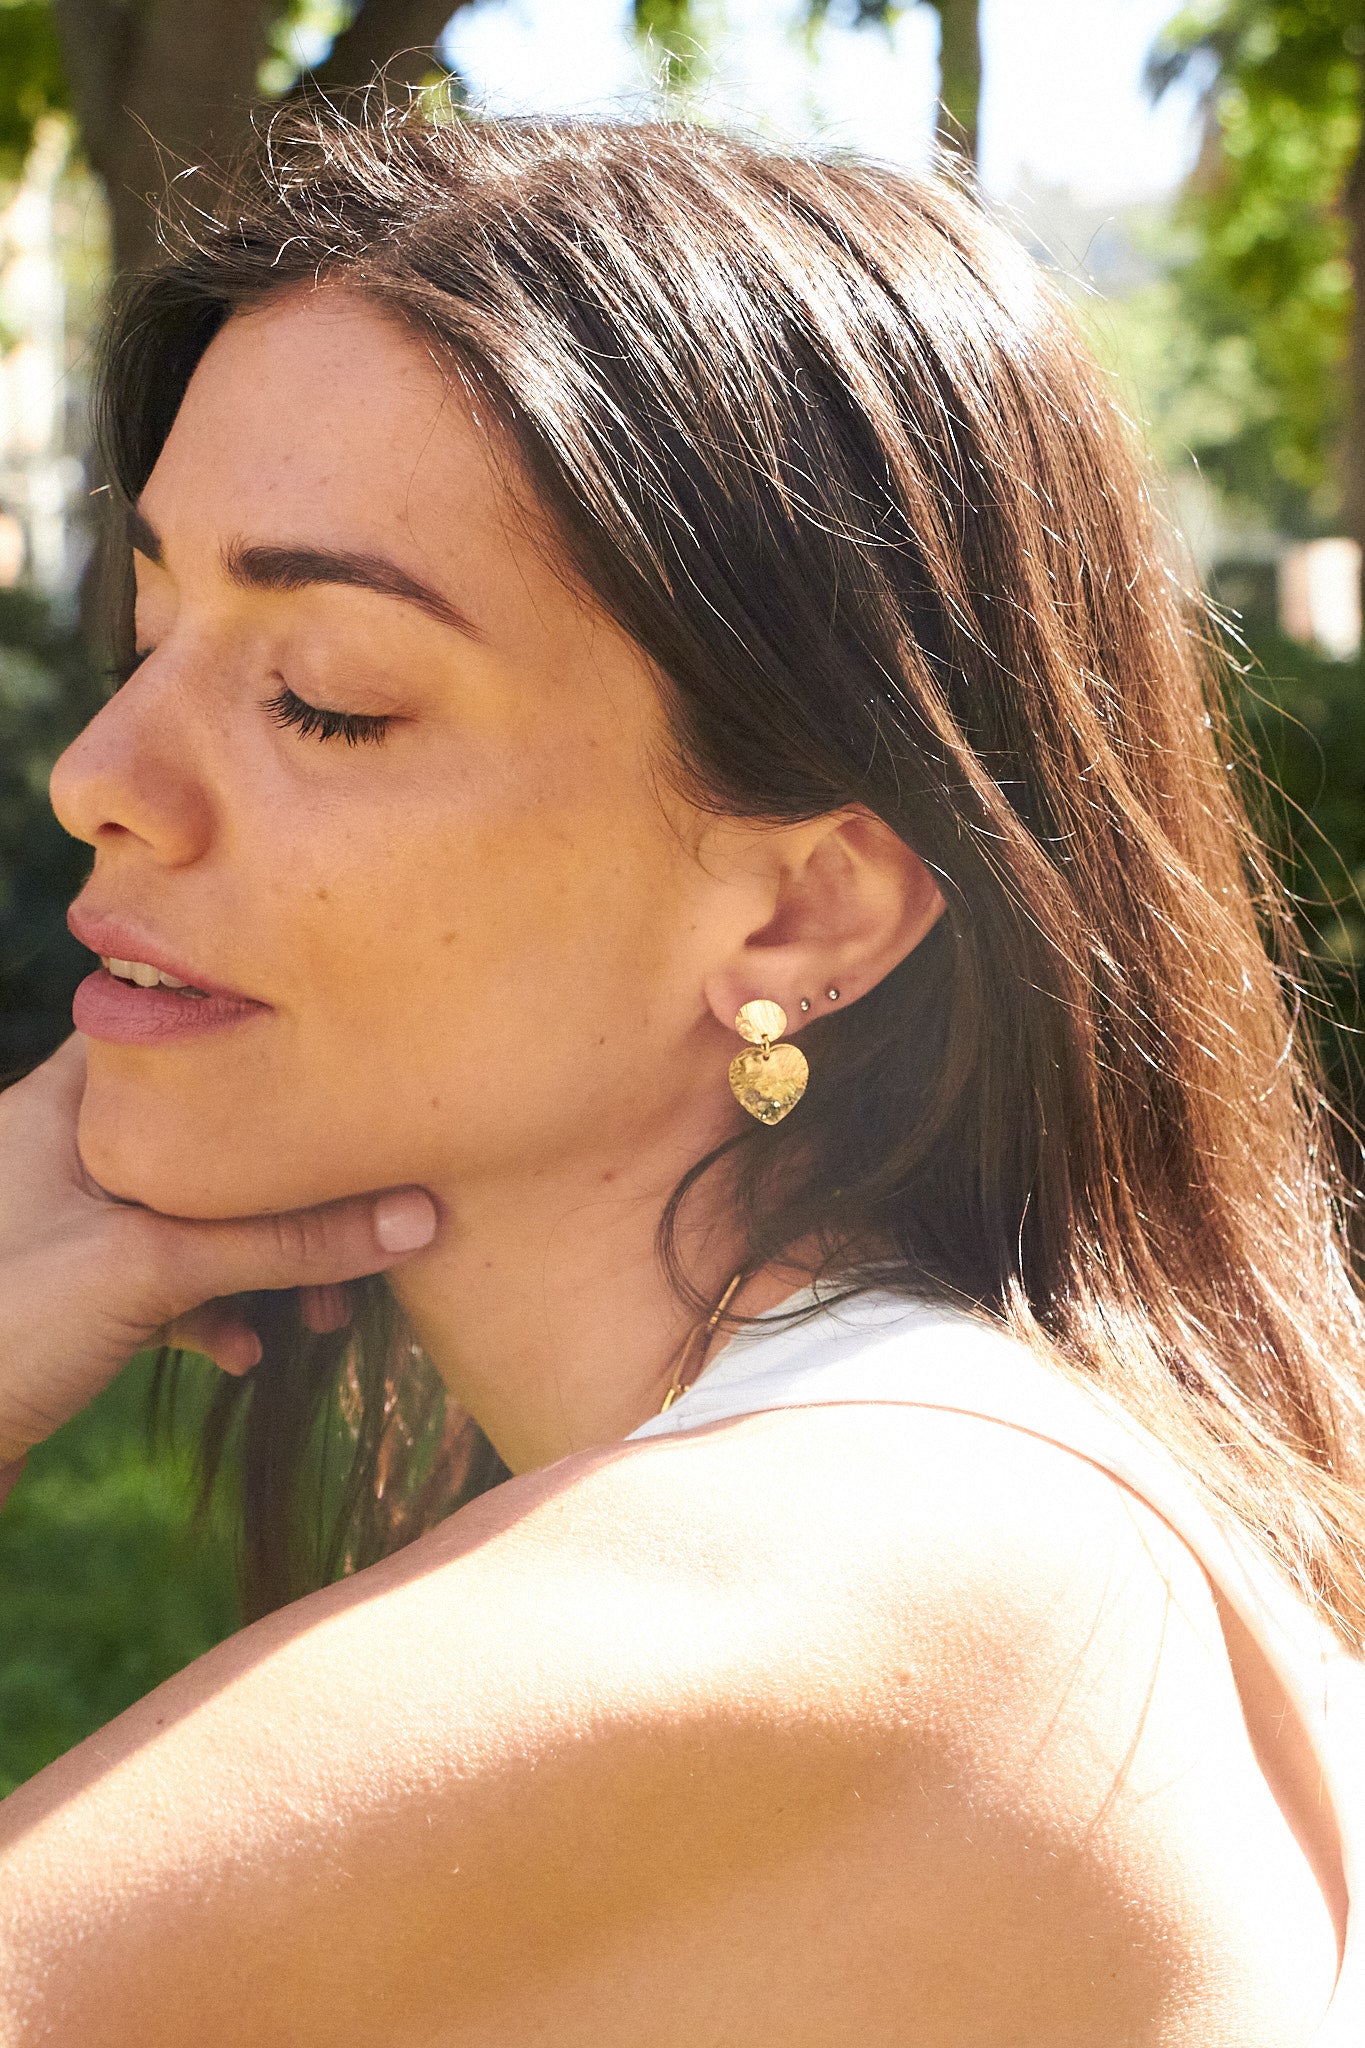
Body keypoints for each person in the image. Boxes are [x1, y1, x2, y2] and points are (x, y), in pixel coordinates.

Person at [0, 107, 1361, 2045]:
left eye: (329, 694)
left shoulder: (829, 1587)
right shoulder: (956, 1505)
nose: (102, 776)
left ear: (801, 916)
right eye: (148, 628)